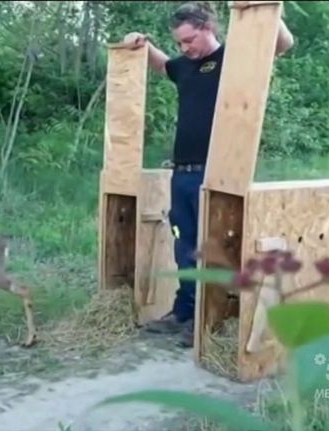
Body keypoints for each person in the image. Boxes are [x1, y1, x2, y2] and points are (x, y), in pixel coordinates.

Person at [121, 1, 295, 347]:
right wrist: (140, 42)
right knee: (184, 246)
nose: (184, 47)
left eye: (189, 40)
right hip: (182, 174)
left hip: (217, 173)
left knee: (211, 248)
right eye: (179, 42)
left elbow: (281, 44)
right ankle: (184, 312)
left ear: (208, 28)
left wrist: (268, 7)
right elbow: (163, 65)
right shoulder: (184, 66)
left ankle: (208, 318)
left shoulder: (233, 58)